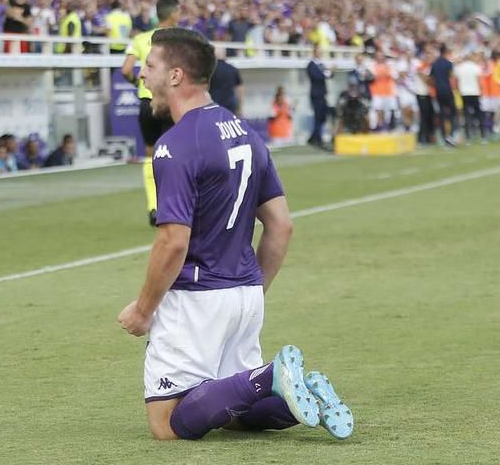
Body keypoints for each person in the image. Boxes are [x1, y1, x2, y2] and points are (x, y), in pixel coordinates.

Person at [117, 27, 352, 442]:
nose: (141, 75)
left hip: (197, 297)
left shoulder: (176, 145)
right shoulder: (246, 131)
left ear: (175, 76)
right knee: (228, 408)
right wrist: (254, 289)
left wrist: (143, 309)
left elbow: (173, 242)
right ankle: (302, 398)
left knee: (168, 424)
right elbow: (281, 224)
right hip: (244, 292)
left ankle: (269, 379)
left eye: (150, 66)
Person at [121, 0, 179, 226]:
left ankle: (153, 207)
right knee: (175, 155)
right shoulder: (178, 39)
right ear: (173, 13)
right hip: (169, 102)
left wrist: (138, 84)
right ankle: (175, 205)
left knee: (150, 154)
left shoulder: (141, 38)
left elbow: (126, 69)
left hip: (147, 102)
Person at [429, 44, 458, 147]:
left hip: (438, 91)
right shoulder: (448, 64)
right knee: (453, 113)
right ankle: (453, 135)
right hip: (447, 90)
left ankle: (443, 136)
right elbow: (451, 76)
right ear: (446, 52)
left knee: (441, 114)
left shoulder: (434, 64)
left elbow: (431, 78)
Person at [453, 52, 484, 142]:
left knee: (466, 115)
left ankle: (468, 135)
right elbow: (479, 81)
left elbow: (457, 82)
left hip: (464, 93)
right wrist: (481, 91)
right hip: (475, 92)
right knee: (479, 114)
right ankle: (483, 135)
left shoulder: (459, 68)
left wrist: (459, 91)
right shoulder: (476, 67)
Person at [305, 46, 333, 148]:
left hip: (322, 93)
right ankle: (317, 138)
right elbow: (318, 77)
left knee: (322, 116)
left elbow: (327, 75)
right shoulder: (311, 65)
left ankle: (314, 137)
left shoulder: (321, 64)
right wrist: (328, 73)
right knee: (318, 116)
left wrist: (330, 72)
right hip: (316, 94)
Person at [368, 50, 396, 131]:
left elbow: (392, 76)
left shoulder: (389, 65)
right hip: (376, 91)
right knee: (378, 109)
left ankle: (385, 126)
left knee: (387, 111)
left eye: (381, 55)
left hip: (388, 92)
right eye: (378, 56)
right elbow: (372, 76)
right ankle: (378, 125)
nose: (380, 57)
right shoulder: (372, 65)